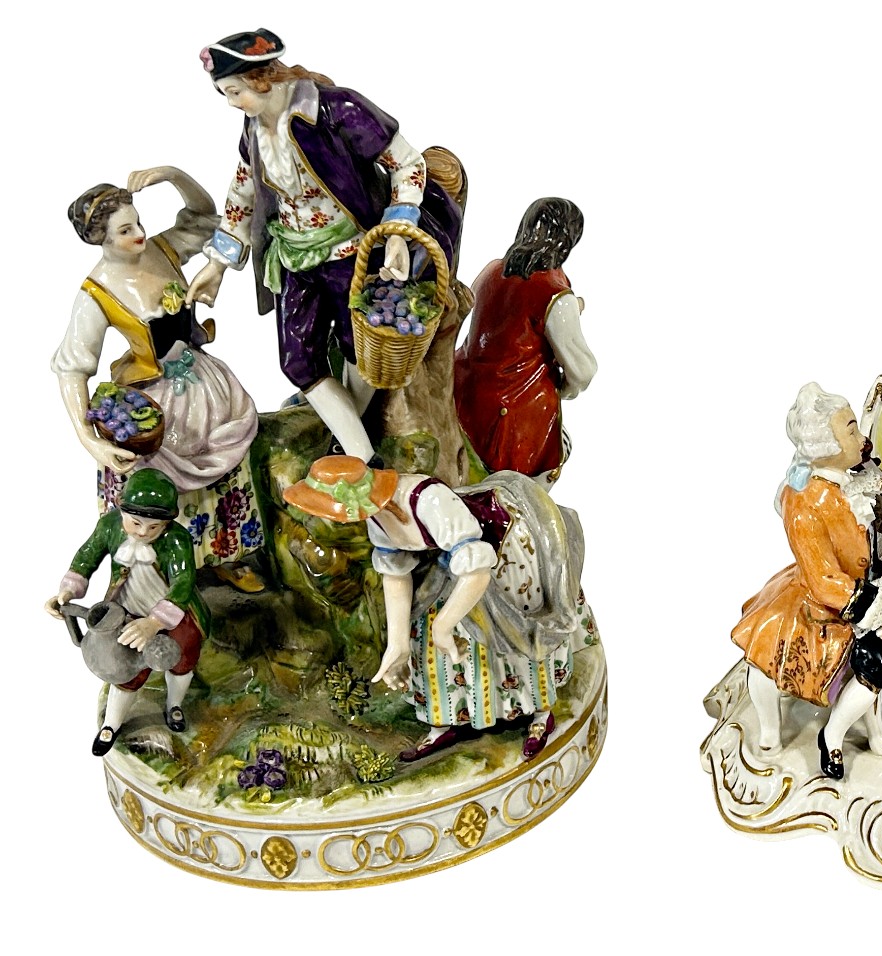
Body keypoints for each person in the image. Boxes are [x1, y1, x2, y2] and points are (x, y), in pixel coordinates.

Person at [186, 28, 463, 463]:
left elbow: (408, 164)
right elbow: (242, 193)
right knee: (297, 361)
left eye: (235, 91)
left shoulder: (337, 110)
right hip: (294, 256)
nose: (231, 103)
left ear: (262, 78)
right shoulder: (254, 128)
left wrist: (396, 230)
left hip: (353, 253)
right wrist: (218, 263)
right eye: (225, 93)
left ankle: (357, 453)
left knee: (361, 350)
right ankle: (358, 448)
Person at [284, 456, 584, 762]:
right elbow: (396, 574)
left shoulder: (429, 501)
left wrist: (444, 625)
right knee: (425, 641)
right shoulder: (376, 515)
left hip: (500, 555)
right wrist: (397, 644)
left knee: (510, 632)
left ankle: (540, 713)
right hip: (453, 566)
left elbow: (477, 570)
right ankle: (446, 721)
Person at [56, 169, 263, 590]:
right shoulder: (97, 293)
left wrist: (172, 175)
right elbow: (72, 367)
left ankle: (224, 554)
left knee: (225, 461)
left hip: (202, 380)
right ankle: (161, 568)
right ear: (101, 239)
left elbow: (204, 218)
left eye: (138, 223)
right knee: (163, 475)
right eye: (125, 231)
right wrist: (88, 438)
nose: (139, 234)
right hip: (155, 399)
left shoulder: (161, 250)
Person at [732, 384, 882, 780]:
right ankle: (814, 735)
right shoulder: (804, 503)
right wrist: (881, 610)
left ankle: (851, 729)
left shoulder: (846, 479)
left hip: (855, 584)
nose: (861, 438)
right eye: (851, 430)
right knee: (875, 661)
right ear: (825, 446)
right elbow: (825, 580)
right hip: (824, 603)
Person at [46, 469, 209, 756]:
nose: (143, 532)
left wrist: (155, 622)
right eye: (135, 523)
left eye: (154, 527)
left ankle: (174, 705)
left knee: (183, 658)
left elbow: (183, 582)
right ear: (122, 511)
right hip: (126, 610)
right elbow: (87, 556)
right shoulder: (110, 526)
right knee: (124, 668)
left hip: (172, 611)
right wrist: (68, 592)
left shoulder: (177, 539)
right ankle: (112, 723)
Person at [454, 197, 597, 486]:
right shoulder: (554, 295)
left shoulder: (491, 270)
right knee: (557, 449)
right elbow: (582, 370)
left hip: (463, 392)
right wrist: (563, 388)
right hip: (511, 412)